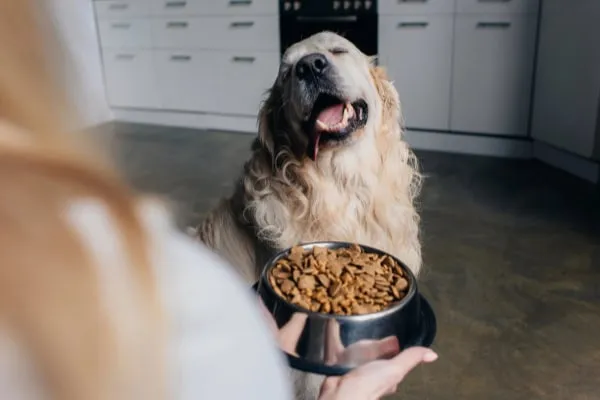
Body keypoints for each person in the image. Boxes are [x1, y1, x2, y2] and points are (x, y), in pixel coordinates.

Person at [0, 1, 438, 399]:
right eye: (292, 74)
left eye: (337, 54)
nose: (312, 65)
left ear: (381, 94)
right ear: (277, 130)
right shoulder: (267, 237)